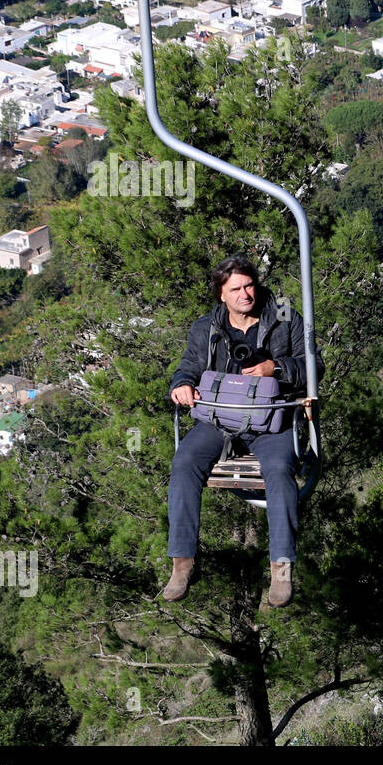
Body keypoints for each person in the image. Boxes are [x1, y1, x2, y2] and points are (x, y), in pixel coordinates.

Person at [166, 256, 324, 607]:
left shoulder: (284, 319)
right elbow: (188, 367)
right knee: (184, 463)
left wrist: (277, 368)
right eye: (235, 289)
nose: (245, 294)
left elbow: (314, 365)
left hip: (271, 419)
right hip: (222, 419)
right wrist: (182, 386)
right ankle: (182, 563)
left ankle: (281, 567)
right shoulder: (207, 327)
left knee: (280, 471)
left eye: (249, 285)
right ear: (222, 295)